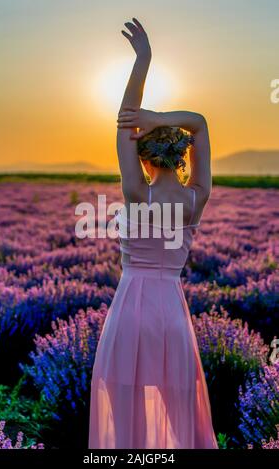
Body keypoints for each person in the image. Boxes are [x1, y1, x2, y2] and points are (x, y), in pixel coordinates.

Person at [88, 17, 218, 449]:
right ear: (182, 156)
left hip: (130, 312)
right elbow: (198, 122)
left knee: (125, 406)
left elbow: (123, 121)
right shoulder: (194, 199)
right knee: (178, 409)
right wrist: (159, 117)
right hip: (171, 315)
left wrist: (142, 61)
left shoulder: (135, 194)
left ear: (143, 158)